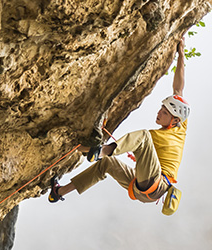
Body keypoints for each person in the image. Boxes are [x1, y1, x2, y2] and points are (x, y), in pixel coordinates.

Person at [48, 37, 190, 204]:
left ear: (174, 120)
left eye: (164, 113)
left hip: (156, 184)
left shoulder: (164, 133)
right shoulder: (181, 124)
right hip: (144, 190)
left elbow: (144, 142)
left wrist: (102, 150)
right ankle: (58, 192)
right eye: (161, 108)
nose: (159, 113)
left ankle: (102, 151)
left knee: (143, 137)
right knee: (106, 164)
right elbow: (178, 88)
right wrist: (181, 54)